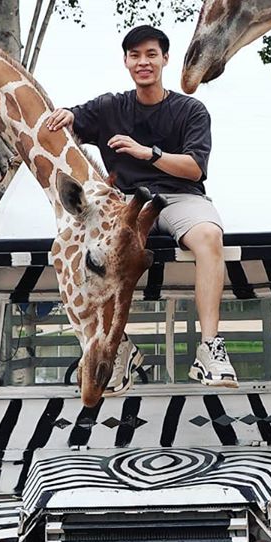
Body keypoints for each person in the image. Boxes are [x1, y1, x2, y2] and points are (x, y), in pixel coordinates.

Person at [46, 25, 237, 387]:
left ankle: (210, 349)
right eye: (135, 55)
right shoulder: (109, 107)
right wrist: (66, 115)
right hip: (125, 206)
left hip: (179, 197)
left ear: (165, 59)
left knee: (210, 237)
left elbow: (194, 167)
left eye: (151, 54)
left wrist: (146, 153)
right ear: (126, 62)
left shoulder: (190, 110)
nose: (143, 62)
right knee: (89, 253)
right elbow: (70, 125)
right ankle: (119, 348)